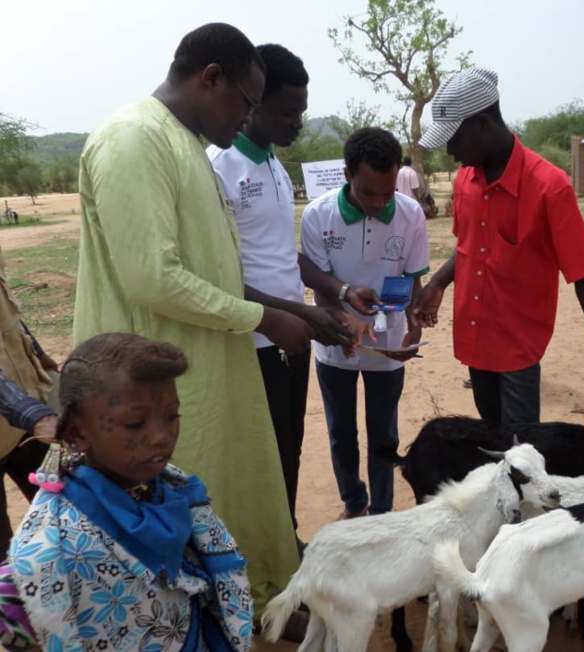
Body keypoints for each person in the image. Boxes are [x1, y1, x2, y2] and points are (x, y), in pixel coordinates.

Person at [72, 23, 305, 614]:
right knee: (165, 529)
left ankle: (241, 607)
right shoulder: (134, 139)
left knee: (220, 498)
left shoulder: (186, 145)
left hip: (205, 370)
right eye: (246, 102)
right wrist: (262, 318)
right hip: (148, 384)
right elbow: (152, 277)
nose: (247, 117)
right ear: (211, 78)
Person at [207, 44, 376, 539]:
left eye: (302, 111)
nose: (297, 123)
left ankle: (284, 539)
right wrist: (298, 315)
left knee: (289, 446)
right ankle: (260, 551)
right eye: (287, 112)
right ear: (253, 101)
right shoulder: (219, 168)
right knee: (258, 454)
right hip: (252, 340)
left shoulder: (275, 166)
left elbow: (284, 255)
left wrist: (340, 289)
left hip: (290, 337)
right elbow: (217, 274)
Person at [414, 67, 584, 424]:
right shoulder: (465, 181)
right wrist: (438, 283)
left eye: (454, 138)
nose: (450, 151)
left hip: (518, 348)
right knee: (491, 435)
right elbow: (468, 246)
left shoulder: (549, 186)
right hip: (475, 337)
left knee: (521, 446)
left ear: (483, 124)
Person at [7, 333, 253, 651]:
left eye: (172, 416)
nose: (162, 436)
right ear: (77, 432)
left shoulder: (173, 490)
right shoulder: (54, 546)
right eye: (136, 423)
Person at [300, 127, 430, 519]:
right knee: (341, 431)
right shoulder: (318, 215)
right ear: (347, 175)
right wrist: (344, 320)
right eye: (369, 193)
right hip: (333, 340)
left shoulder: (410, 215)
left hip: (387, 344)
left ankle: (382, 510)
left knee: (384, 431)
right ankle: (354, 501)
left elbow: (413, 280)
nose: (378, 203)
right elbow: (320, 285)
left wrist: (413, 327)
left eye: (387, 193)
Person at [0, 246, 57, 557]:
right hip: (25, 416)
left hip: (24, 426)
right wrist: (33, 414)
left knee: (62, 521)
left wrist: (40, 354)